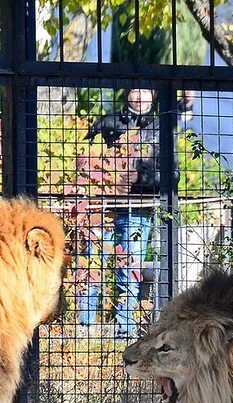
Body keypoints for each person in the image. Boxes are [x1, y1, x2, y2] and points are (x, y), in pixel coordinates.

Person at [80, 88, 161, 338]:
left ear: (154, 95)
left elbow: (171, 174)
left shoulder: (160, 128)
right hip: (101, 209)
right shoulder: (107, 123)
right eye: (135, 90)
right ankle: (85, 327)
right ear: (127, 93)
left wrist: (141, 177)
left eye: (145, 91)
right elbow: (83, 161)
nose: (139, 96)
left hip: (138, 207)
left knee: (130, 269)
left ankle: (124, 330)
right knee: (92, 265)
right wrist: (104, 178)